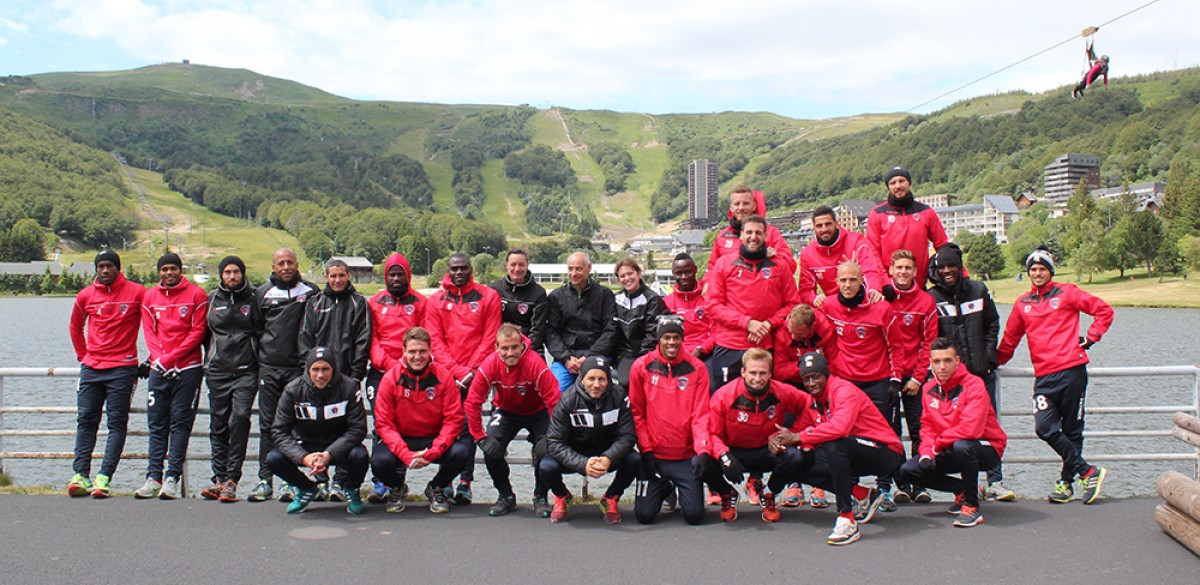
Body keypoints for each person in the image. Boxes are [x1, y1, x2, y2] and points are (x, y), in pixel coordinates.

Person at [997, 246, 1114, 504]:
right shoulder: (1022, 304)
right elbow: (1010, 340)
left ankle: (1066, 484)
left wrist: (1091, 338)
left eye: (1042, 269)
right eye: (1033, 270)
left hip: (1072, 370)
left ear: (1050, 271)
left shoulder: (1068, 292)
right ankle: (1088, 471)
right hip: (1045, 377)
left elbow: (1104, 311)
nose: (1037, 273)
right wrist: (990, 362)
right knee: (1045, 428)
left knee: (1072, 430)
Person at [771, 352, 904, 546]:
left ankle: (847, 518)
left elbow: (840, 428)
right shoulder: (812, 401)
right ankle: (863, 494)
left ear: (826, 374)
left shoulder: (844, 390)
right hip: (852, 451)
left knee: (834, 442)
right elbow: (796, 432)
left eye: (816, 376)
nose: (811, 383)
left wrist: (798, 437)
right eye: (806, 379)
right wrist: (775, 440)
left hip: (885, 451)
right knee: (798, 461)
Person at [927, 243, 1011, 501]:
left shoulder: (978, 290)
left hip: (981, 373)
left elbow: (993, 324)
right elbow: (931, 337)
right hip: (952, 380)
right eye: (942, 267)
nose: (947, 271)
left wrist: (988, 355)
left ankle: (995, 481)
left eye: (952, 265)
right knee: (955, 427)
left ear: (960, 266)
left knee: (989, 425)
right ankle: (964, 488)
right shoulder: (932, 298)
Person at [897, 339, 1008, 528]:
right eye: (937, 361)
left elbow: (970, 429)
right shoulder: (928, 389)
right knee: (908, 471)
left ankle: (971, 507)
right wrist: (926, 452)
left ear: (957, 360)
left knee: (963, 445)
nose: (942, 367)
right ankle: (961, 490)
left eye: (947, 360)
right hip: (950, 446)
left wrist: (937, 446)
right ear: (930, 363)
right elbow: (927, 426)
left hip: (986, 446)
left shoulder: (974, 385)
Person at [819, 261, 901, 508]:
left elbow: (896, 346)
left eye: (853, 280)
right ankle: (852, 489)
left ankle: (884, 488)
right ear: (836, 282)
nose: (847, 285)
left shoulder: (881, 309)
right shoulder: (830, 306)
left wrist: (895, 380)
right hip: (846, 383)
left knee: (883, 436)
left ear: (861, 281)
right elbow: (825, 341)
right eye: (843, 280)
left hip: (877, 382)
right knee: (845, 435)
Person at [67, 249, 145, 498]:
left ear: (117, 267)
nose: (105, 270)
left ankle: (104, 477)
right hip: (92, 368)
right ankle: (80, 475)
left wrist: (154, 356)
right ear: (96, 269)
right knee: (86, 420)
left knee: (116, 423)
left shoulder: (137, 292)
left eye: (110, 265)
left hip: (122, 368)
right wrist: (83, 356)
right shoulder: (85, 295)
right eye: (100, 266)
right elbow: (75, 327)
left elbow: (156, 323)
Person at [701, 349, 813, 523]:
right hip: (733, 452)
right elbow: (712, 433)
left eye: (763, 373)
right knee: (700, 461)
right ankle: (726, 494)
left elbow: (810, 405)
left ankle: (769, 493)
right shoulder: (723, 396)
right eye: (753, 373)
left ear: (770, 373)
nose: (758, 378)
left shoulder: (781, 391)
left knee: (795, 457)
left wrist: (791, 434)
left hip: (765, 450)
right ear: (743, 372)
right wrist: (723, 455)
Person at [425, 252, 501, 505]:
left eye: (464, 268)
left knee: (470, 429)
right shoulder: (435, 301)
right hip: (446, 377)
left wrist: (472, 371)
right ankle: (445, 481)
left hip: (477, 376)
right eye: (454, 268)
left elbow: (490, 337)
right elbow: (435, 340)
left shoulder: (488, 296)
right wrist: (456, 372)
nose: (459, 272)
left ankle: (465, 482)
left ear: (471, 269)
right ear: (448, 269)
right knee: (447, 427)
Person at [465, 324, 561, 517]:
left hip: (537, 410)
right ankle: (506, 496)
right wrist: (479, 437)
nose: (510, 353)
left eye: (514, 347)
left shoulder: (535, 363)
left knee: (545, 451)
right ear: (496, 348)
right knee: (492, 449)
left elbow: (554, 400)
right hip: (506, 411)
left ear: (522, 345)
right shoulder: (490, 364)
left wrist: (552, 436)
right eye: (505, 348)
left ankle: (540, 496)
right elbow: (472, 402)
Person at [134, 253, 209, 500]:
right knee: (156, 425)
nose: (169, 273)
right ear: (159, 272)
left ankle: (172, 478)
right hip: (160, 369)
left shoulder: (197, 295)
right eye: (164, 269)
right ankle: (153, 477)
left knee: (180, 424)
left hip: (188, 369)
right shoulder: (149, 297)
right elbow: (149, 332)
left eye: (173, 269)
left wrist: (171, 358)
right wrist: (161, 360)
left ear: (180, 270)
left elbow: (197, 333)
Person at [371, 327, 470, 514]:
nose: (417, 357)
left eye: (422, 351)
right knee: (378, 461)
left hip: (432, 439)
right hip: (402, 438)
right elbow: (384, 424)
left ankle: (436, 487)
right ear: (404, 351)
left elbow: (453, 420)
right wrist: (405, 455)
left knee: (461, 452)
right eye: (412, 351)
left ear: (430, 351)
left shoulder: (444, 376)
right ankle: (397, 487)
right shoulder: (390, 378)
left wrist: (433, 452)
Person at [299, 258, 371, 501]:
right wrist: (309, 373)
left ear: (348, 275)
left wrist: (357, 375)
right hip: (318, 378)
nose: (338, 280)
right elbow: (305, 338)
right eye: (333, 276)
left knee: (347, 428)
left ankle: (340, 481)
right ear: (326, 277)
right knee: (318, 426)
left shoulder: (358, 302)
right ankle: (320, 479)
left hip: (348, 378)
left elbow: (363, 339)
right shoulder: (315, 303)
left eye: (341, 275)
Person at [627, 318, 712, 525]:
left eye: (676, 338)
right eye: (667, 337)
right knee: (644, 516)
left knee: (693, 516)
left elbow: (701, 415)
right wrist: (646, 451)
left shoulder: (698, 368)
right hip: (655, 457)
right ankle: (665, 487)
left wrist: (702, 450)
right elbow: (637, 413)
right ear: (659, 339)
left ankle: (680, 486)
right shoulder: (641, 366)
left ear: (682, 340)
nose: (671, 342)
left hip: (684, 456)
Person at [250, 248, 318, 502]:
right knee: (268, 425)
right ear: (274, 266)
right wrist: (263, 360)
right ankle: (264, 479)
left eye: (290, 262)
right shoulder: (262, 293)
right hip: (269, 368)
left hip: (299, 369)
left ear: (297, 264)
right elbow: (256, 329)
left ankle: (293, 482)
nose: (286, 267)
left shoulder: (311, 292)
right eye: (281, 263)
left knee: (299, 425)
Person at [266, 346, 368, 515]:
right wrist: (303, 457)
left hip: (338, 446)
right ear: (308, 370)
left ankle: (352, 491)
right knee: (274, 458)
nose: (321, 375)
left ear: (333, 369)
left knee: (360, 455)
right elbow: (279, 431)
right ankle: (306, 488)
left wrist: (329, 454)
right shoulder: (293, 390)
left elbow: (358, 429)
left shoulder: (349, 387)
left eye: (325, 369)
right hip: (307, 445)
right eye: (316, 369)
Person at [705, 214, 801, 392]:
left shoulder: (779, 266)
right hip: (730, 345)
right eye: (749, 232)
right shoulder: (724, 264)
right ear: (741, 235)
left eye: (758, 232)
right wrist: (747, 323)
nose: (753, 237)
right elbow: (712, 306)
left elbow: (792, 305)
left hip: (764, 345)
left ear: (766, 237)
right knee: (725, 401)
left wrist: (768, 325)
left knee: (761, 406)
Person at [541, 357, 639, 524]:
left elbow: (627, 436)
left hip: (606, 454)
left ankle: (611, 497)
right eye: (591, 379)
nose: (596, 384)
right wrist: (582, 463)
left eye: (601, 379)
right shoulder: (567, 400)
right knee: (545, 465)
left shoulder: (620, 396)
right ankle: (562, 496)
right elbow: (555, 442)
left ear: (608, 381)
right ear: (582, 379)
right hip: (575, 453)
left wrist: (609, 457)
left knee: (634, 459)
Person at [200, 255, 263, 503]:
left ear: (243, 273)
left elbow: (263, 331)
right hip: (217, 371)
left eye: (236, 271)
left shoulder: (255, 298)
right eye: (227, 272)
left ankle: (232, 479)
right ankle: (218, 478)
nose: (232, 276)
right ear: (221, 275)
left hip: (247, 370)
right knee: (218, 423)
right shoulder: (211, 300)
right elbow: (203, 335)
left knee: (239, 418)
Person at [364, 252, 426, 503]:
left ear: (408, 275)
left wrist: (406, 367)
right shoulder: (375, 302)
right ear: (385, 276)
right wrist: (389, 365)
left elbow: (424, 337)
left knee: (403, 425)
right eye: (392, 273)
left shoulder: (421, 302)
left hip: (411, 373)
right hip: (381, 373)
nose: (396, 278)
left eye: (401, 273)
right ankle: (382, 480)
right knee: (381, 424)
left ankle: (398, 481)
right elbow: (372, 339)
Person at [881, 249, 938, 504]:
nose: (903, 272)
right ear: (891, 270)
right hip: (889, 376)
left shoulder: (926, 302)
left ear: (915, 272)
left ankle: (919, 482)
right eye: (898, 267)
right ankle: (898, 483)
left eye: (908, 268)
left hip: (916, 377)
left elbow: (929, 343)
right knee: (890, 432)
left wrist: (917, 378)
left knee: (919, 430)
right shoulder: (882, 298)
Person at [770, 302, 836, 509]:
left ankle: (820, 484)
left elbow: (832, 362)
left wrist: (817, 373)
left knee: (821, 430)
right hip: (791, 384)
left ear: (811, 329)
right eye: (792, 332)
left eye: (799, 335)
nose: (793, 338)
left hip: (820, 384)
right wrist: (810, 365)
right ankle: (793, 483)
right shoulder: (783, 332)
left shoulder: (825, 329)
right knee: (791, 430)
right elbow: (779, 370)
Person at [544, 251, 618, 391]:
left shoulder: (604, 295)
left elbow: (611, 330)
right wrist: (566, 358)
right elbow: (551, 332)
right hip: (566, 358)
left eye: (578, 268)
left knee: (596, 391)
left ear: (589, 268)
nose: (574, 273)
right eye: (570, 269)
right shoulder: (556, 297)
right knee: (555, 393)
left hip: (597, 354)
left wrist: (590, 357)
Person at [866, 166, 949, 288]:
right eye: (893, 183)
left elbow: (943, 245)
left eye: (901, 181)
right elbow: (872, 253)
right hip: (889, 288)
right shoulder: (877, 214)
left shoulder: (926, 212)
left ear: (909, 183)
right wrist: (884, 282)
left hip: (919, 286)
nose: (898, 186)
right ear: (888, 187)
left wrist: (962, 274)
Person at [798, 206, 885, 307]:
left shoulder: (856, 242)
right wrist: (815, 299)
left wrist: (873, 290)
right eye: (819, 226)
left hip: (860, 303)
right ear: (814, 227)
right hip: (833, 308)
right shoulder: (807, 255)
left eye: (828, 224)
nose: (824, 229)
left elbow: (870, 270)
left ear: (836, 224)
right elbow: (805, 290)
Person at [706, 186, 795, 276]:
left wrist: (773, 257)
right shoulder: (722, 236)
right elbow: (712, 270)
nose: (741, 208)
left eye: (746, 203)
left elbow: (790, 266)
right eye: (737, 204)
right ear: (731, 208)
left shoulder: (771, 233)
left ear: (754, 206)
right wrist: (706, 284)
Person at [611, 258, 668, 386]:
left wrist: (641, 360)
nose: (627, 278)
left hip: (646, 353)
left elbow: (652, 335)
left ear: (638, 273)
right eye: (622, 276)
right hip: (624, 354)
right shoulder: (615, 299)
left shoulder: (653, 300)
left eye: (630, 273)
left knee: (631, 381)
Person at [489, 247, 548, 355]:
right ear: (506, 265)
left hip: (529, 348)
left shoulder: (538, 293)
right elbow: (489, 325)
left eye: (521, 264)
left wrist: (523, 350)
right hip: (501, 348)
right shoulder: (494, 290)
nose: (517, 269)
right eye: (513, 264)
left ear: (527, 265)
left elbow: (538, 330)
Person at [662, 253, 714, 359]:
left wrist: (701, 350)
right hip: (677, 355)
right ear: (673, 274)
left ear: (695, 270)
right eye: (679, 273)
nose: (684, 277)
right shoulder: (666, 303)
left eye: (687, 272)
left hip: (708, 353)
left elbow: (717, 330)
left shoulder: (708, 296)